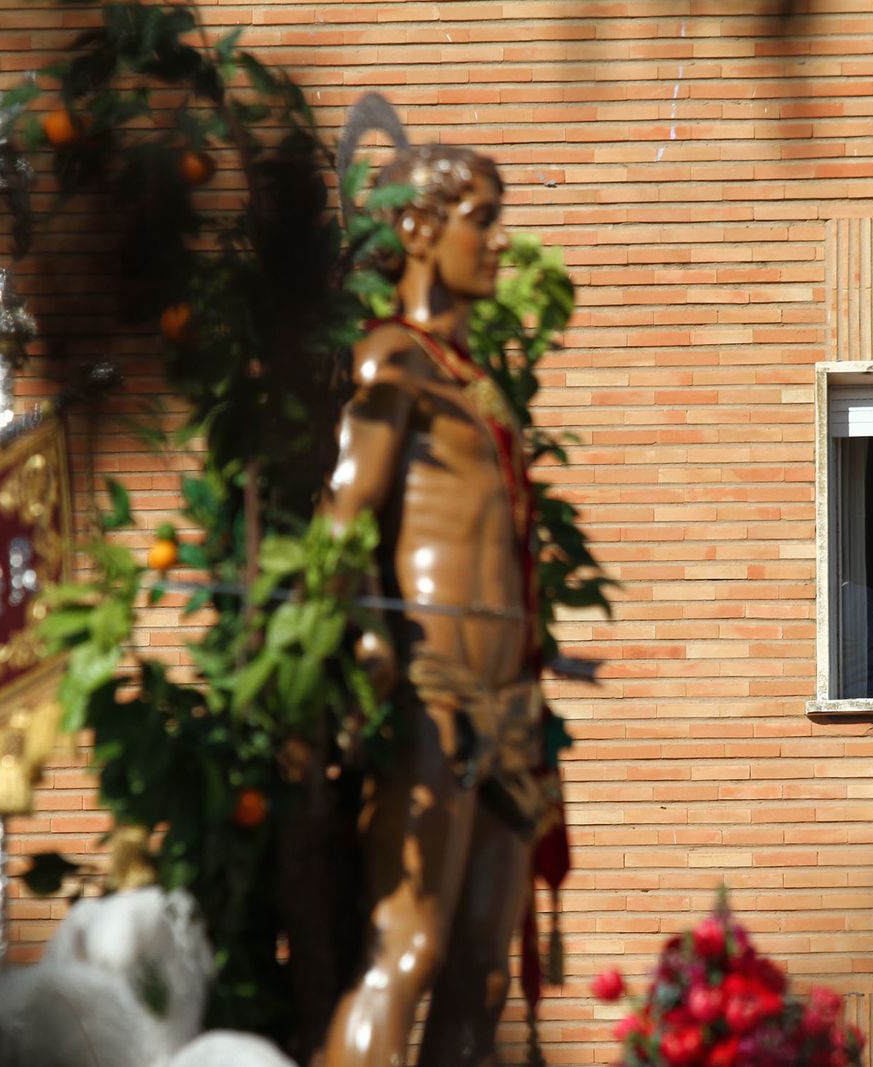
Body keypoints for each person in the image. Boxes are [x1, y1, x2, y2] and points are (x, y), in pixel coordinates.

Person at [315, 144, 542, 1067]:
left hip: (512, 702)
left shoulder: (477, 384)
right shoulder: (390, 362)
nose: (500, 242)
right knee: (407, 948)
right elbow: (342, 522)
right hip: (432, 687)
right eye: (482, 219)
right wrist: (359, 643)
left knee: (484, 974)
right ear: (417, 227)